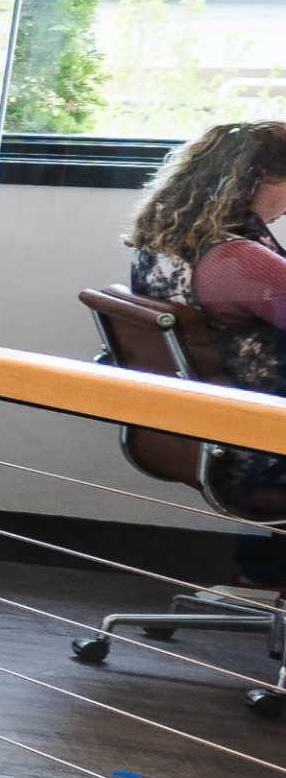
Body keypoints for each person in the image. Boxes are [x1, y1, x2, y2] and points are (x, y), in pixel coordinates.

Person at [124, 118, 286, 580]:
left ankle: (262, 574)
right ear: (259, 180)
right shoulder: (238, 259)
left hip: (208, 433)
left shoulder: (165, 239)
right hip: (258, 447)